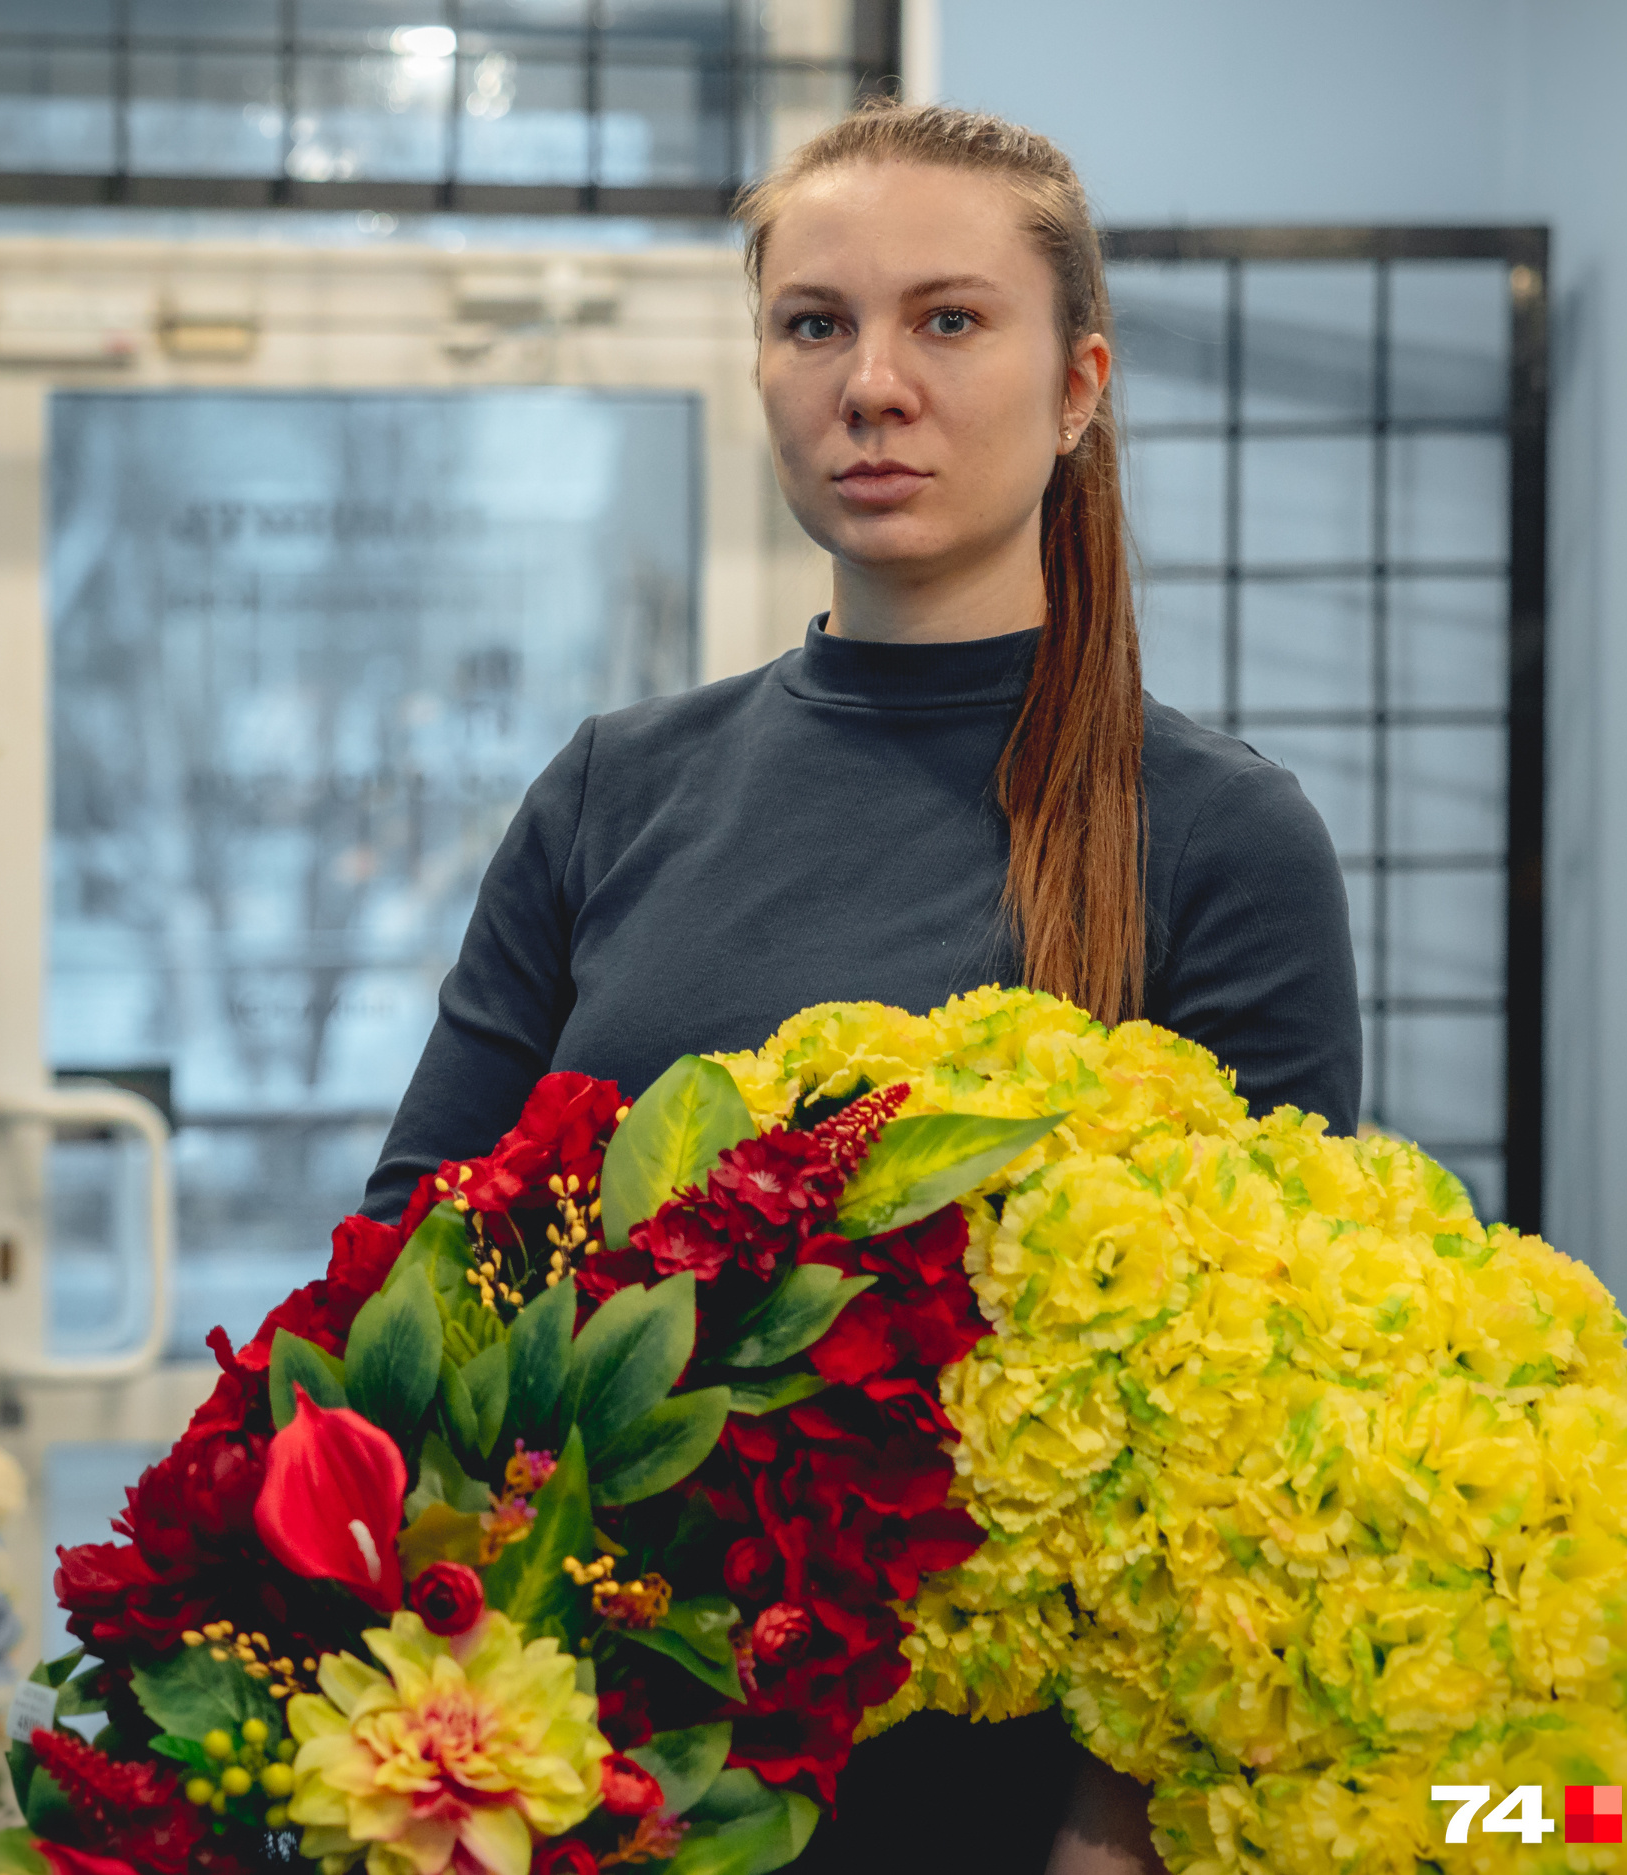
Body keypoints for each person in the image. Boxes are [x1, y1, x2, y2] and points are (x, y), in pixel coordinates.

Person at [359, 101, 1361, 1875]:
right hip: (581, 1760)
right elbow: (406, 1269)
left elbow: (1261, 1423)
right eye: (815, 322)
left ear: (1078, 388)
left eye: (949, 321)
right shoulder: (616, 788)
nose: (872, 384)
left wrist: (1108, 1831)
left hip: (982, 1800)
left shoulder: (1217, 838)